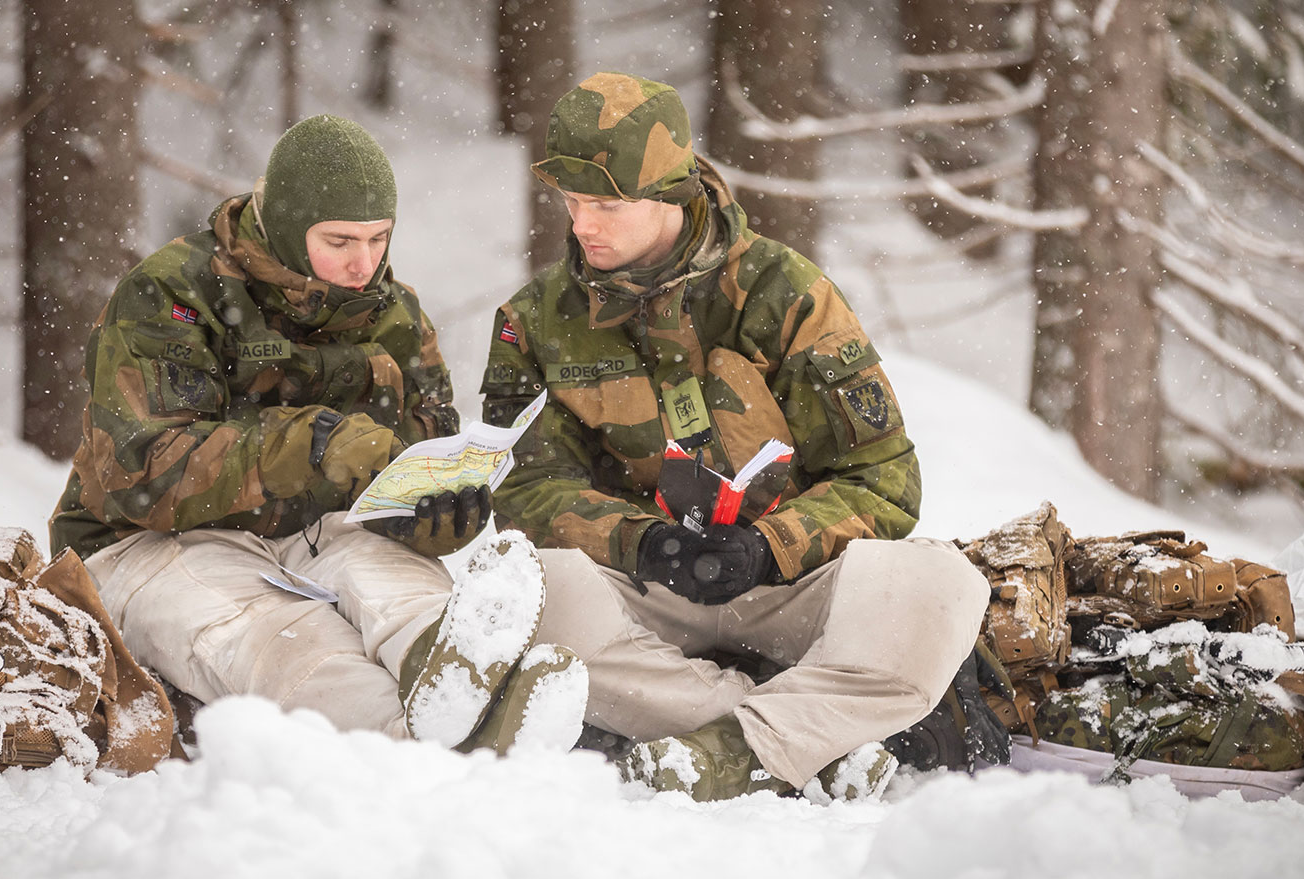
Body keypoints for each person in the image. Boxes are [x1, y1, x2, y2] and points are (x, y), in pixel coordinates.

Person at [481, 73, 990, 801]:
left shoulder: (784, 293)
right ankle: (797, 739)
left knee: (942, 584)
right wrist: (642, 543)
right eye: (570, 201)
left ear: (669, 194)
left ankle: (722, 746)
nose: (581, 224)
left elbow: (882, 479)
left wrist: (769, 546)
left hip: (787, 586)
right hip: (642, 593)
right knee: (524, 596)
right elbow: (524, 487)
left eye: (605, 204)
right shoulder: (534, 320)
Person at [49, 114, 584, 756]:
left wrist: (438, 516)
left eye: (379, 238)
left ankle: (469, 675)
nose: (364, 264)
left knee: (398, 588)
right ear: (287, 227)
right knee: (280, 638)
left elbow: (422, 450)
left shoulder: (396, 316)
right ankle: (415, 744)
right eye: (339, 241)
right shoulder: (172, 294)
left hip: (330, 529)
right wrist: (314, 444)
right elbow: (142, 474)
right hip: (154, 542)